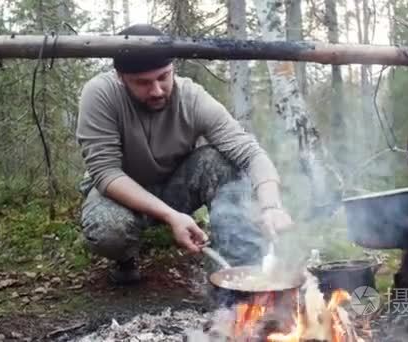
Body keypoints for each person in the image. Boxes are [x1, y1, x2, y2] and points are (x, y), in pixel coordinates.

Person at [75, 24, 293, 285]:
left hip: (174, 184)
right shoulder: (100, 94)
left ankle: (236, 264)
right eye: (143, 83)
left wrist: (270, 206)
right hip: (120, 191)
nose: (156, 90)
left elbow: (250, 154)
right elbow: (106, 173)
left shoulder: (192, 98)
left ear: (173, 68)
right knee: (108, 230)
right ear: (121, 78)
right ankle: (125, 258)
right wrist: (170, 216)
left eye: (163, 77)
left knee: (219, 160)